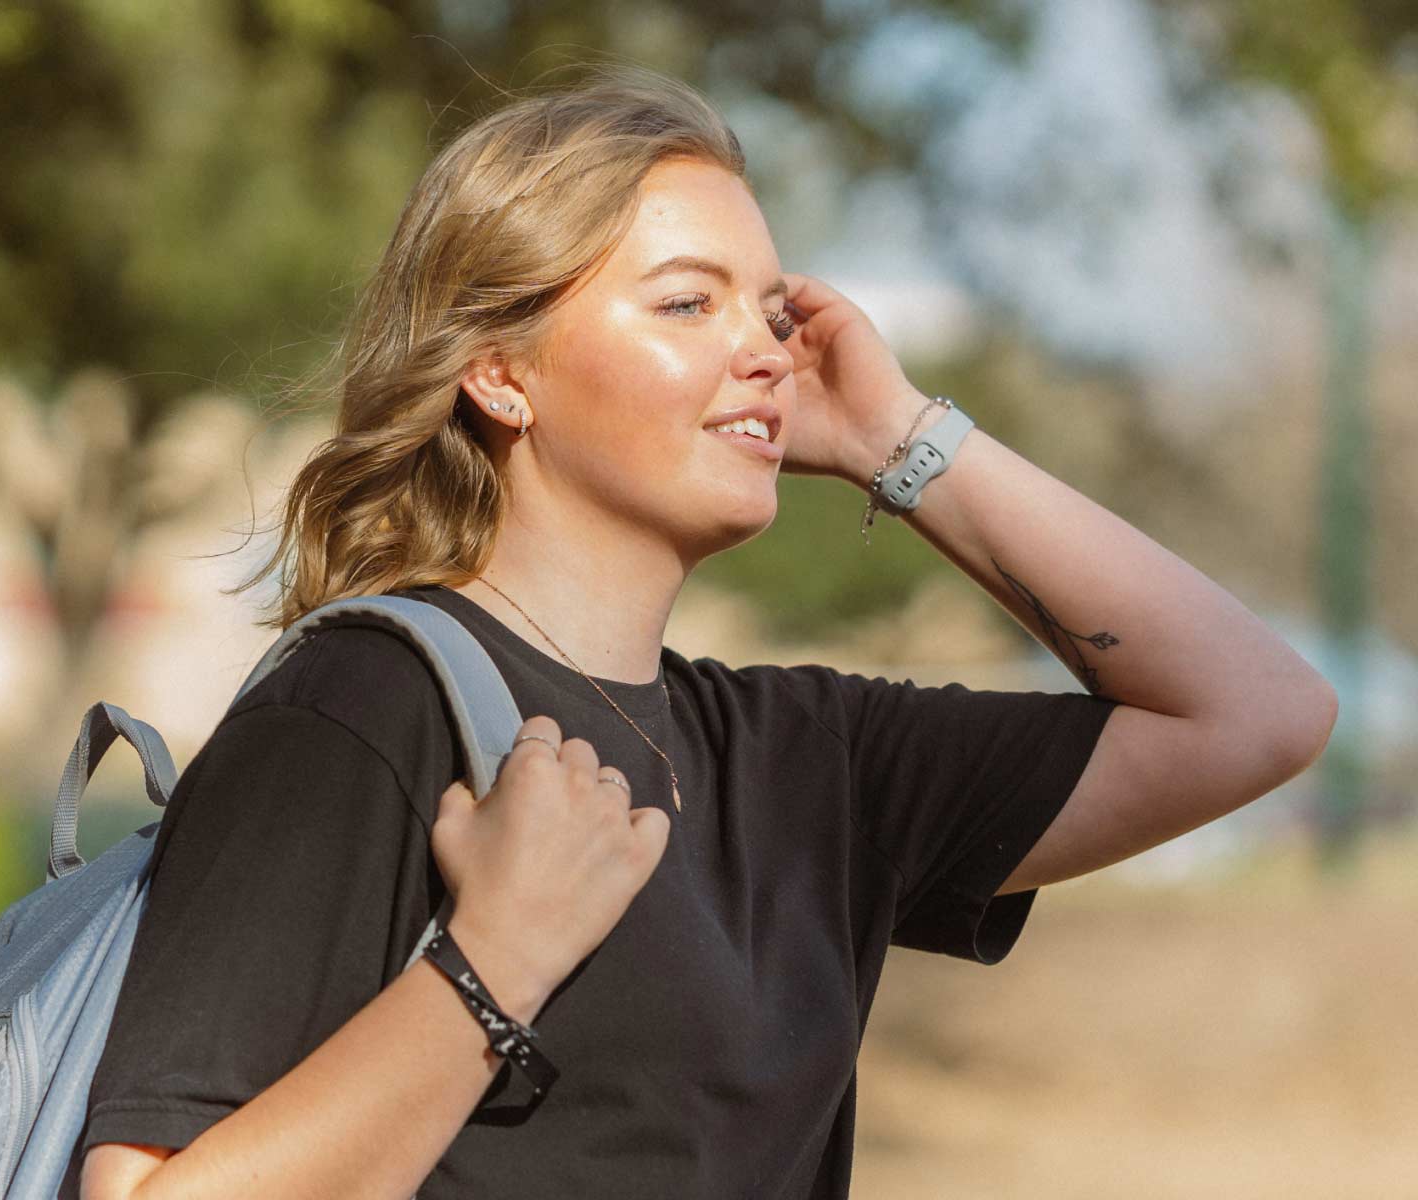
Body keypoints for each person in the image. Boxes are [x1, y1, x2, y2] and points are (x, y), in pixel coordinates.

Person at [69, 62, 1335, 1199]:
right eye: (687, 305)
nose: (767, 354)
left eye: (772, 313)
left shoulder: (809, 760)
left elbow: (1258, 712)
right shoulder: (361, 707)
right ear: (500, 372)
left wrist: (906, 444)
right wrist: (491, 965)